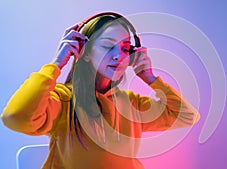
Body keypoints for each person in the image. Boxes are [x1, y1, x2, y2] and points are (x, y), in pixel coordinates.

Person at [1, 12, 200, 169]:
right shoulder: (63, 100)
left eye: (124, 49)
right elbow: (16, 116)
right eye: (107, 47)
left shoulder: (130, 103)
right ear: (84, 52)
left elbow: (187, 116)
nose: (118, 56)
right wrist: (56, 64)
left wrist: (149, 77)